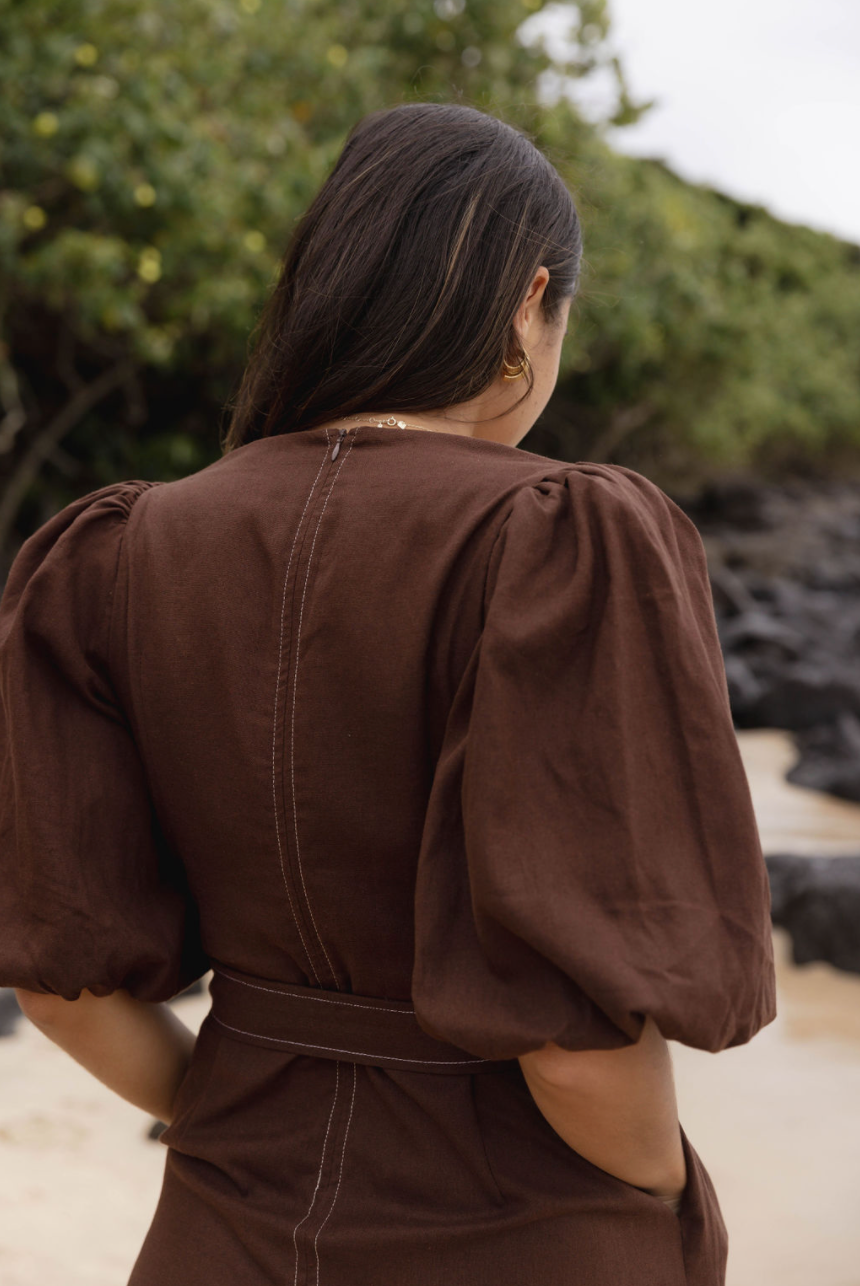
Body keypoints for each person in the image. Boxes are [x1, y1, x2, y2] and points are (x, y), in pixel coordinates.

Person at [0, 101, 776, 1286]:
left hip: (219, 1228)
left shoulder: (116, 551)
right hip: (524, 1231)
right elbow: (574, 1051)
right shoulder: (556, 538)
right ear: (527, 301)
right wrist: (661, 1189)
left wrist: (239, 1103)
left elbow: (59, 984)